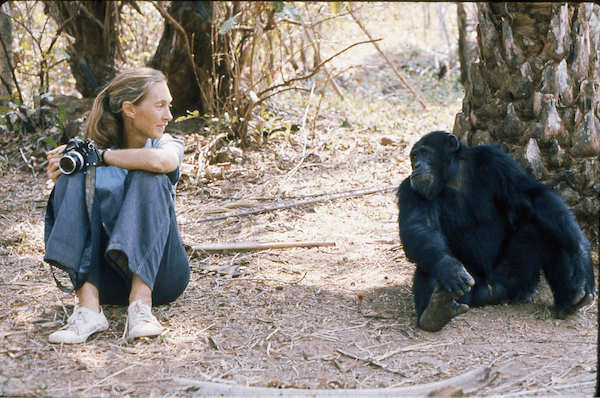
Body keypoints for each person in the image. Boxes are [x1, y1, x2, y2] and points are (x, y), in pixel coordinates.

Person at [44, 67, 190, 344]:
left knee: (149, 175)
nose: (168, 116)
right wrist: (61, 177)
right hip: (107, 281)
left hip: (163, 277)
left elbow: (162, 162)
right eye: (160, 106)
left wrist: (102, 156)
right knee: (71, 178)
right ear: (129, 109)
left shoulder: (166, 143)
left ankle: (141, 307)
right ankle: (88, 309)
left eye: (168, 106)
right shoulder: (89, 157)